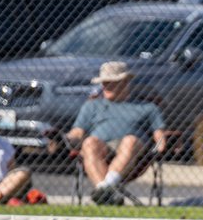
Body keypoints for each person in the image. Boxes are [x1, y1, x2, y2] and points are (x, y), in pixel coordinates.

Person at [64, 61, 170, 206]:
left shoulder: (147, 107)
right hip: (101, 150)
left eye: (111, 83)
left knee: (130, 140)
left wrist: (160, 146)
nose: (105, 86)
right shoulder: (91, 106)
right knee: (89, 142)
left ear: (125, 82)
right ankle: (107, 192)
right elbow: (77, 132)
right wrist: (66, 138)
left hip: (134, 154)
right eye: (104, 83)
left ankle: (104, 189)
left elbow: (159, 136)